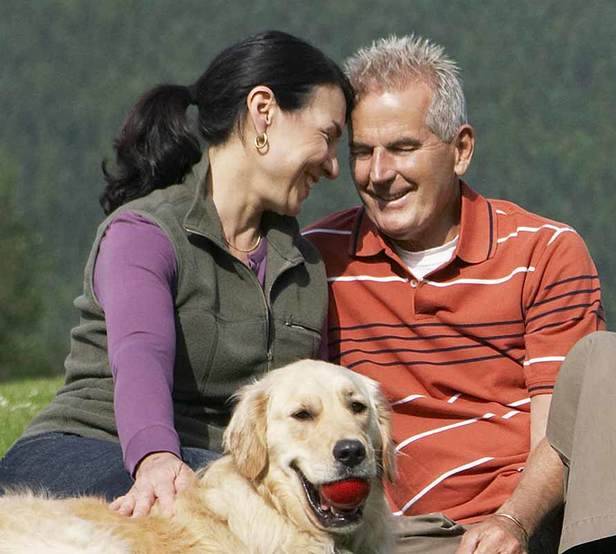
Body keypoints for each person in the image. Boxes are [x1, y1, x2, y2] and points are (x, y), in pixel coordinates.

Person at [304, 35, 616, 553]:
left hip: (548, 519)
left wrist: (513, 522)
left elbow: (559, 435)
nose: (379, 175)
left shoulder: (544, 250)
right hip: (414, 534)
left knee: (610, 357)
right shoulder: (319, 260)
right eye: (362, 152)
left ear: (461, 149)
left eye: (403, 148)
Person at [0, 30, 352, 518]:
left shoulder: (306, 267)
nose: (335, 167)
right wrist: (156, 458)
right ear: (264, 110)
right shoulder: (145, 233)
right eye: (328, 137)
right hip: (85, 450)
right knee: (235, 508)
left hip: (216, 468)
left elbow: (323, 393)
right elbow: (140, 353)